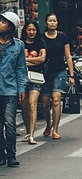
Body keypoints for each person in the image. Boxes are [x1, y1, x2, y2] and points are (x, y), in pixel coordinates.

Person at [41, 13, 75, 140]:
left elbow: (68, 56)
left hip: (60, 71)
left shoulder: (62, 37)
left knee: (56, 99)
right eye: (50, 21)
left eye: (54, 21)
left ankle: (55, 129)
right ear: (46, 23)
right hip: (45, 73)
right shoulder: (41, 38)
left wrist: (71, 75)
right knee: (44, 103)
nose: (52, 23)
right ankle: (48, 123)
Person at [0, 12, 27, 167]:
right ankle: (1, 153)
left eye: (3, 22)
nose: (0, 23)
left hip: (10, 89)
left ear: (10, 26)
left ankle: (11, 154)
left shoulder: (18, 45)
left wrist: (21, 88)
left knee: (10, 123)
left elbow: (20, 69)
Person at [20, 20, 46, 144]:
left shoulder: (41, 43)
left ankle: (31, 135)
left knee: (32, 104)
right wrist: (33, 60)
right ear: (25, 30)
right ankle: (27, 131)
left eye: (34, 30)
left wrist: (25, 61)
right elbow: (17, 60)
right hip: (22, 77)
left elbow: (42, 59)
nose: (31, 32)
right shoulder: (20, 44)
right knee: (24, 106)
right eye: (29, 29)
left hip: (36, 77)